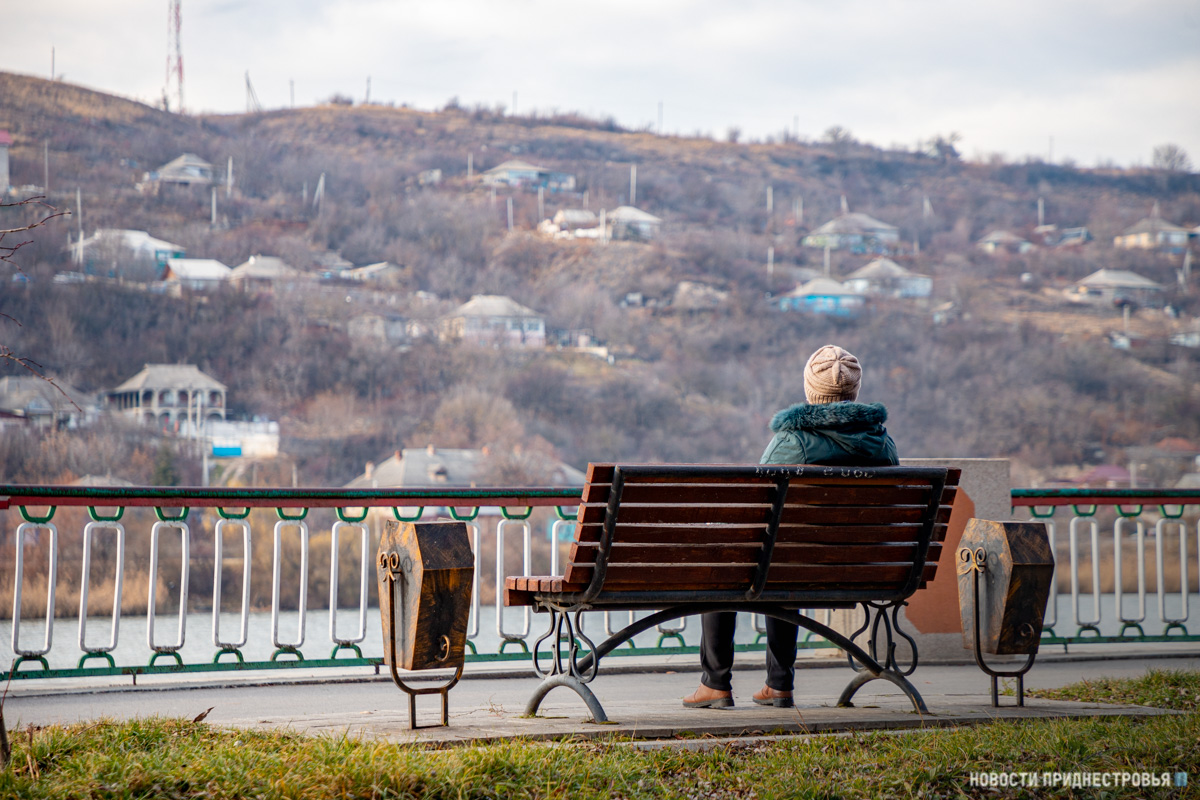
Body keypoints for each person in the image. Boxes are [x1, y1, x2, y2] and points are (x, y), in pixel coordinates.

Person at [683, 344, 899, 709]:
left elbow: (757, 511)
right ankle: (779, 684)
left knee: (739, 561)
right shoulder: (883, 444)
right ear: (854, 391)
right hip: (865, 569)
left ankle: (716, 683)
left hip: (794, 564)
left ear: (810, 389)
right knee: (785, 560)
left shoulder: (793, 441)